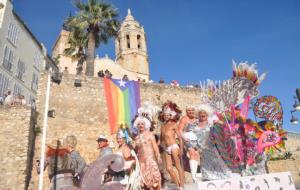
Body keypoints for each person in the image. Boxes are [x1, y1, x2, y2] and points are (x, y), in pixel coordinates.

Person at [195, 104, 233, 181]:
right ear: (198, 114)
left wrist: (220, 121)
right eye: (201, 113)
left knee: (217, 160)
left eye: (204, 113)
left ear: (207, 114)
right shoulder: (195, 125)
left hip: (212, 146)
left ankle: (223, 175)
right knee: (206, 162)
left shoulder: (211, 122)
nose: (202, 115)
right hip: (202, 148)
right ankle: (208, 177)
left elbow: (223, 125)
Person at [159, 101, 184, 189]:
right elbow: (161, 139)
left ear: (171, 115)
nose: (166, 116)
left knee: (178, 166)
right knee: (169, 168)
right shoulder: (162, 126)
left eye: (168, 115)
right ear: (163, 115)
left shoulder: (174, 124)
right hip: (167, 149)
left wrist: (181, 149)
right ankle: (178, 185)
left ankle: (182, 186)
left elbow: (180, 138)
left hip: (174, 146)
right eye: (165, 115)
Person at [133, 115, 161, 190]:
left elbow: (155, 147)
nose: (140, 126)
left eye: (142, 124)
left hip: (150, 160)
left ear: (145, 125)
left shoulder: (150, 135)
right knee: (143, 179)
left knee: (154, 178)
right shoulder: (137, 137)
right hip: (141, 161)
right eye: (138, 124)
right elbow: (136, 150)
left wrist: (158, 156)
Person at [178, 106, 200, 182]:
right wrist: (184, 138)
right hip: (188, 138)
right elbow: (179, 130)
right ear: (186, 112)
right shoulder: (184, 119)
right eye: (189, 110)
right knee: (192, 153)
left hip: (196, 138)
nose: (190, 112)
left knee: (197, 154)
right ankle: (193, 175)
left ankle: (196, 173)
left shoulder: (197, 118)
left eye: (192, 110)